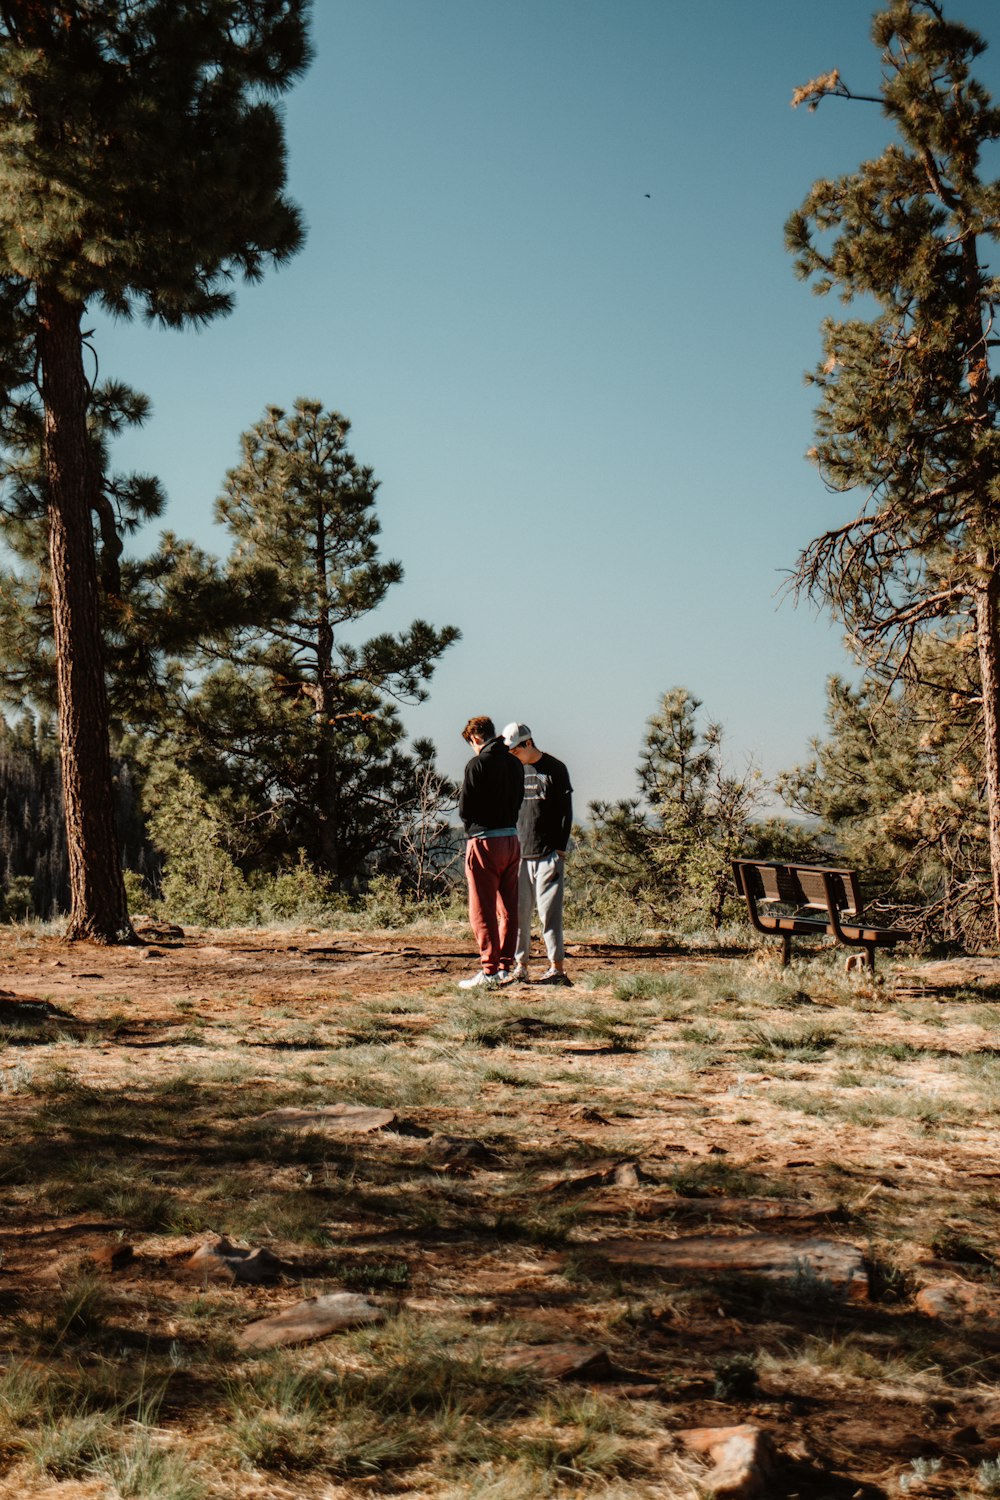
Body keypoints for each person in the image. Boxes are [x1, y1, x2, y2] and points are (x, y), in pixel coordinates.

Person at [501, 722, 573, 985]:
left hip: (547, 854)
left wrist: (560, 850)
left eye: (515, 750)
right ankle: (521, 967)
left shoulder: (556, 768)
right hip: (519, 853)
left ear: (528, 743)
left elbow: (567, 811)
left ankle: (557, 968)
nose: (513, 755)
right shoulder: (513, 771)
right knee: (519, 915)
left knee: (549, 915)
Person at [457, 716, 524, 989]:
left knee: (482, 909)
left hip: (484, 842)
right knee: (508, 907)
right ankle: (506, 966)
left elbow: (464, 809)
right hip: (511, 839)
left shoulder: (477, 764)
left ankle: (489, 970)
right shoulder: (514, 763)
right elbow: (519, 799)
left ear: (475, 738)